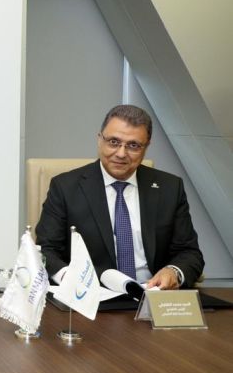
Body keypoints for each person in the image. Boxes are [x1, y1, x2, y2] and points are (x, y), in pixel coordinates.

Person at [36, 104, 204, 289]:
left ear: (146, 147)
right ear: (99, 139)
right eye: (113, 142)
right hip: (90, 294)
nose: (121, 153)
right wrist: (71, 279)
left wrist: (173, 271)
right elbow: (46, 250)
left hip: (152, 294)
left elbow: (189, 253)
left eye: (133, 145)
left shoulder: (170, 188)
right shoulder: (65, 187)